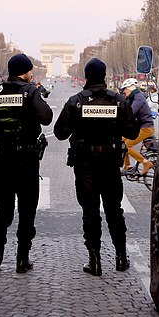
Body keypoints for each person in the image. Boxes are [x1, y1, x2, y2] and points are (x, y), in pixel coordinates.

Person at [54, 58, 140, 276]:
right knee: (114, 211)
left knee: (90, 211)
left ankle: (95, 262)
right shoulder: (118, 101)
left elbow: (60, 133)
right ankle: (121, 258)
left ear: (86, 76)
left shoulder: (76, 102)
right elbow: (132, 133)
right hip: (110, 162)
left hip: (84, 165)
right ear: (104, 75)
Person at [0, 54, 53, 274]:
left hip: (4, 160)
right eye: (30, 71)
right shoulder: (30, 92)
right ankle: (22, 261)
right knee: (27, 212)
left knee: (3, 212)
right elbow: (46, 117)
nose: (32, 74)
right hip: (27, 161)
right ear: (25, 72)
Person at [119, 78, 155, 175]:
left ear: (130, 88)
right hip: (141, 127)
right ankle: (127, 166)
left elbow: (130, 112)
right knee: (121, 142)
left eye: (125, 89)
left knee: (127, 145)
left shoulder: (138, 98)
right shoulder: (134, 97)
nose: (124, 92)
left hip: (146, 128)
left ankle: (146, 162)